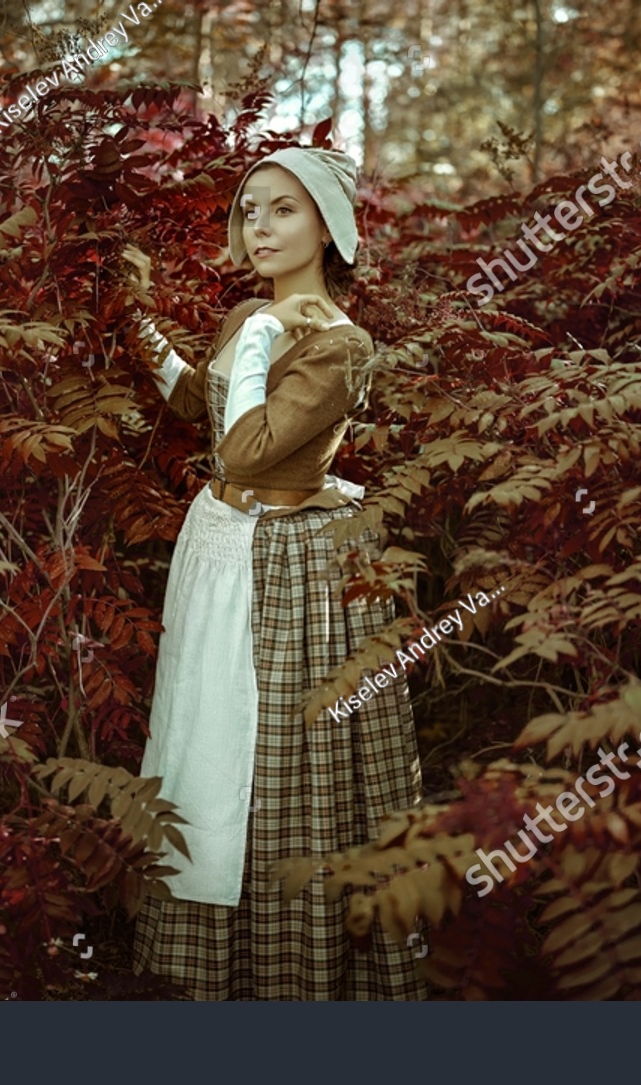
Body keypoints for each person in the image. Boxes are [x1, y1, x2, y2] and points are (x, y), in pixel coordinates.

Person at [120, 146, 426, 1000]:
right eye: (250, 208)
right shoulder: (246, 317)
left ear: (329, 227)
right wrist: (134, 319)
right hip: (218, 541)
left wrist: (260, 336)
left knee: (276, 751)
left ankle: (295, 973)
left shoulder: (340, 345)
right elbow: (200, 403)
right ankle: (203, 967)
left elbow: (247, 445)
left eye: (284, 209)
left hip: (290, 561)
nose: (260, 225)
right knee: (202, 735)